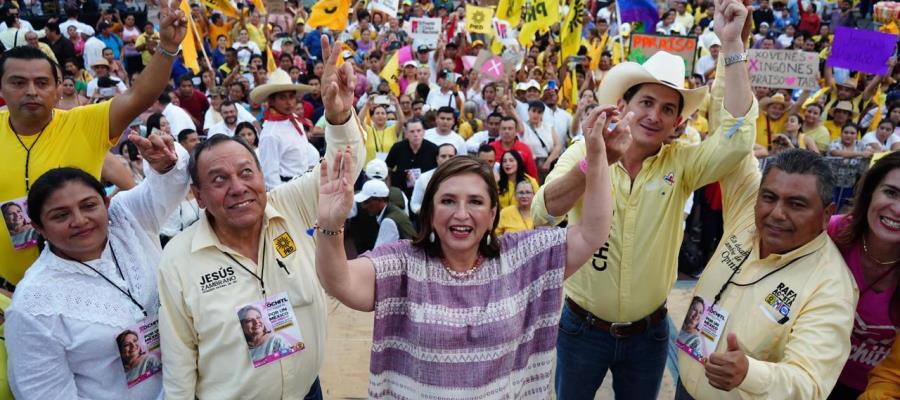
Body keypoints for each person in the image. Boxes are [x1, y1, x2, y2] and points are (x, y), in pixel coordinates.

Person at [312, 98, 619, 397]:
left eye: (475, 202)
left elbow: (592, 232)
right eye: (447, 201)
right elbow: (339, 280)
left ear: (492, 214)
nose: (461, 214)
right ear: (430, 211)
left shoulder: (520, 259)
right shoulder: (403, 264)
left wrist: (597, 157)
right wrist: (330, 225)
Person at [532, 0, 754, 395]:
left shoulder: (683, 164)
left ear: (677, 123)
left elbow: (737, 140)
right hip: (581, 328)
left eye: (667, 109)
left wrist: (732, 46)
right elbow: (542, 212)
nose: (654, 115)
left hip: (649, 336)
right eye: (646, 103)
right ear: (624, 107)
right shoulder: (588, 149)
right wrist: (596, 162)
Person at [157, 37, 362, 399]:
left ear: (262, 176)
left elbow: (343, 169)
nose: (238, 188)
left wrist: (340, 116)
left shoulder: (289, 206)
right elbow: (179, 366)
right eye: (219, 180)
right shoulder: (177, 258)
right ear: (199, 196)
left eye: (246, 173)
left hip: (307, 391)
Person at [0, 1, 188, 287]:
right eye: (18, 82)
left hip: (90, 286)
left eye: (41, 82)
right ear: (2, 88)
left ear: (58, 87)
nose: (30, 91)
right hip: (8, 291)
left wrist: (166, 47)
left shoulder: (84, 123)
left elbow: (140, 95)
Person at [5, 133, 187, 400]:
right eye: (61, 215)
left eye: (88, 206)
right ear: (39, 228)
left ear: (106, 203)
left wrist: (165, 164)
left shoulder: (125, 219)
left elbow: (168, 185)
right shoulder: (33, 304)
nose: (79, 220)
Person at [674, 149, 857, 399]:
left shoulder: (832, 287)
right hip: (684, 385)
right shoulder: (745, 217)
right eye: (769, 197)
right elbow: (735, 138)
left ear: (826, 214)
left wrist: (749, 374)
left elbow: (810, 384)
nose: (777, 213)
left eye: (796, 204)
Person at [827, 152, 900, 399]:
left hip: (875, 390)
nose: (897, 210)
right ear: (871, 192)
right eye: (891, 192)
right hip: (808, 374)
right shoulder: (830, 234)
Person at [252, 69, 317, 189]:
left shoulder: (295, 119)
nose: (289, 102)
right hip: (287, 188)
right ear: (272, 101)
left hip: (304, 183)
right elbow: (270, 177)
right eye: (282, 98)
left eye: (291, 97)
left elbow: (303, 150)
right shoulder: (270, 134)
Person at [385, 118, 439, 199]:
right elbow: (388, 169)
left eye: (418, 131)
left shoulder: (433, 149)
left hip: (425, 194)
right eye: (412, 131)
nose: (416, 134)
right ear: (406, 133)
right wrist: (388, 191)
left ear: (424, 132)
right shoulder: (397, 148)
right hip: (401, 193)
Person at [354, 179, 416, 248]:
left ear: (380, 199)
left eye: (366, 202)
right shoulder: (394, 211)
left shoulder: (389, 222)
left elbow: (378, 254)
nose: (363, 206)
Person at [410, 144, 457, 215]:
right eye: (443, 156)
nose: (447, 159)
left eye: (451, 156)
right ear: (437, 158)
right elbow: (415, 204)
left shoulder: (464, 178)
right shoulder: (424, 178)